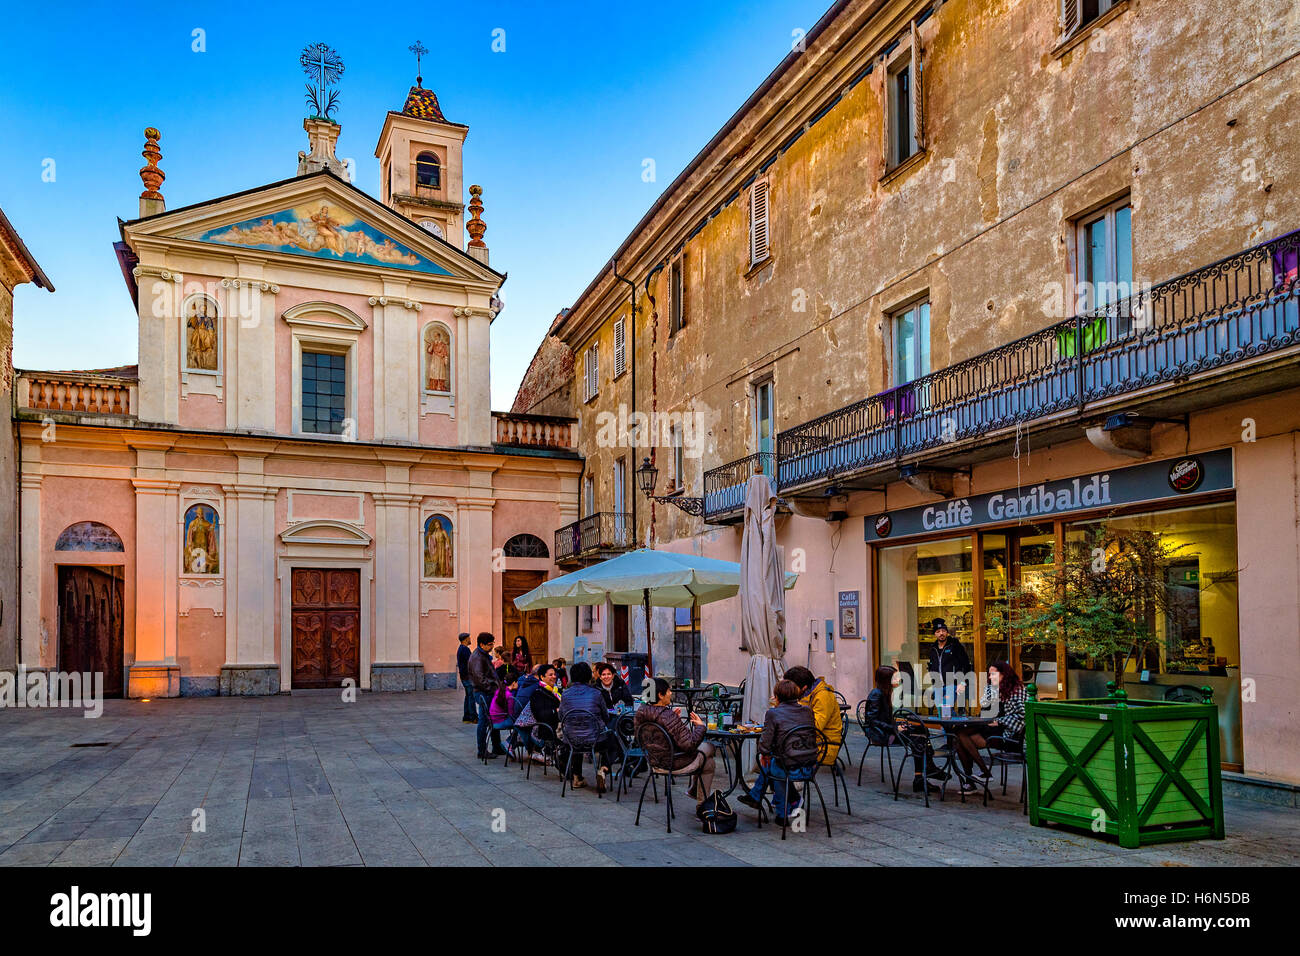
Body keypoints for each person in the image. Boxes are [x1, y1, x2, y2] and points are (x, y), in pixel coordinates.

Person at [737, 680, 817, 825]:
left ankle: (782, 811)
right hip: (809, 764)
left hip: (788, 766)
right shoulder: (807, 710)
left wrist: (765, 754)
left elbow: (765, 741)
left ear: (777, 696)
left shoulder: (773, 713)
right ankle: (760, 797)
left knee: (773, 765)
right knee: (774, 763)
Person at [633, 677, 717, 806]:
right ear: (660, 695)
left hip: (654, 761)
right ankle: (702, 807)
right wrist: (700, 726)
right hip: (675, 762)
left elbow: (642, 738)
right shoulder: (667, 716)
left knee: (708, 762)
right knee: (710, 750)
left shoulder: (641, 712)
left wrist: (674, 722)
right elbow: (689, 745)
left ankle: (696, 795)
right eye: (668, 691)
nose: (671, 693)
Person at [953, 660, 1027, 792]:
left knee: (960, 737)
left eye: (993, 674)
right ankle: (977, 777)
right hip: (988, 727)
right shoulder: (992, 688)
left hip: (1008, 734)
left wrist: (1000, 721)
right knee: (958, 735)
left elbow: (1023, 715)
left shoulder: (1017, 690)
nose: (990, 677)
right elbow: (985, 710)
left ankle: (974, 780)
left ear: (1004, 674)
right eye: (989, 674)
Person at [557, 662, 619, 793]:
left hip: (571, 740)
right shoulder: (596, 693)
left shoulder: (566, 694)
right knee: (613, 740)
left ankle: (577, 777)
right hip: (595, 741)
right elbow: (606, 717)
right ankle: (603, 768)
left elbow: (561, 716)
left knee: (577, 739)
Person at [784, 665, 843, 768]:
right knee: (775, 750)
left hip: (823, 747)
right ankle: (788, 782)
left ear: (804, 687)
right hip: (811, 742)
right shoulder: (807, 694)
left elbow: (815, 728)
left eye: (791, 688)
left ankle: (789, 781)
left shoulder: (822, 696)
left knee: (778, 753)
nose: (789, 691)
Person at [468, 632, 507, 760]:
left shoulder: (483, 655)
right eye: (489, 645)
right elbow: (480, 678)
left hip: (488, 692)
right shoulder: (477, 657)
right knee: (484, 721)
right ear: (482, 644)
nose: (492, 647)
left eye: (492, 644)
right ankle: (482, 750)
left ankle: (496, 746)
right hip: (484, 693)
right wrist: (491, 689)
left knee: (493, 718)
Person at [926, 619, 971, 717]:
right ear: (935, 634)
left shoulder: (955, 645)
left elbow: (966, 664)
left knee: (945, 711)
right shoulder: (933, 649)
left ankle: (950, 730)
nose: (941, 633)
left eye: (943, 631)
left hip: (952, 684)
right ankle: (956, 728)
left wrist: (963, 682)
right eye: (938, 632)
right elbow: (932, 666)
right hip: (938, 685)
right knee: (941, 713)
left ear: (947, 632)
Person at [455, 632, 476, 723]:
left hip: (464, 676)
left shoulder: (461, 649)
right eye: (469, 638)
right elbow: (470, 662)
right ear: (466, 639)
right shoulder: (465, 649)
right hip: (467, 677)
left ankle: (466, 716)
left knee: (468, 696)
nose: (470, 639)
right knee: (471, 696)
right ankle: (473, 717)